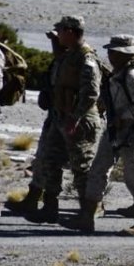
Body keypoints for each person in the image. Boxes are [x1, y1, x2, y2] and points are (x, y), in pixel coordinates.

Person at [61, 35, 134, 236]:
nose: (109, 55)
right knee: (98, 170)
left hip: (133, 134)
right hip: (114, 131)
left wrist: (124, 117)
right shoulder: (117, 74)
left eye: (113, 52)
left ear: (123, 54)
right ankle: (87, 216)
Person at [34, 16, 102, 221]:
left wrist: (76, 117)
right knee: (50, 160)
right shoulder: (69, 55)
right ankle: (50, 207)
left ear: (71, 32)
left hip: (79, 121)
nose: (58, 34)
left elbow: (91, 93)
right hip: (61, 117)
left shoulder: (86, 58)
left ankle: (86, 214)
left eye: (61, 30)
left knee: (82, 168)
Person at [8, 29, 65, 221]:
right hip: (56, 117)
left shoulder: (77, 62)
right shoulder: (59, 62)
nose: (54, 43)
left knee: (71, 165)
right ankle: (34, 199)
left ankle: (88, 208)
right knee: (43, 159)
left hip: (71, 121)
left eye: (58, 39)